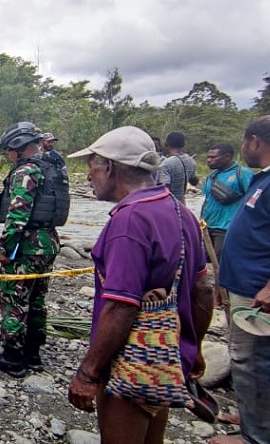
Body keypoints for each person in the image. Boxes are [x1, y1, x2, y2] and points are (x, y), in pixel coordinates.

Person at [66, 126, 213, 444]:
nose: (89, 174)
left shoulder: (129, 221)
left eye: (91, 164)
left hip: (131, 366)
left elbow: (121, 306)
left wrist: (88, 373)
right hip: (165, 359)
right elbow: (204, 290)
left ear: (109, 166)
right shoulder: (180, 210)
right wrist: (193, 346)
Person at [0, 122, 61, 378]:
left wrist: (5, 249)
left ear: (17, 148)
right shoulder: (51, 169)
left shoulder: (25, 172)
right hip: (47, 242)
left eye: (9, 151)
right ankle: (33, 354)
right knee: (37, 298)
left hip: (27, 246)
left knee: (15, 298)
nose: (9, 155)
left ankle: (13, 356)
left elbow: (17, 216)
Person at [211, 116, 270, 444]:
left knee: (253, 360)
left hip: (257, 292)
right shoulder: (261, 181)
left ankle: (255, 436)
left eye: (245, 141)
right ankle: (253, 415)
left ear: (255, 142)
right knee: (249, 358)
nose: (244, 148)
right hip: (245, 285)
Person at [200, 143, 253, 261]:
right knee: (204, 260)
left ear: (227, 156)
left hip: (227, 227)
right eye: (208, 157)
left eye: (213, 157)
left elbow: (253, 199)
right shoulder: (211, 176)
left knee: (222, 261)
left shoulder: (242, 173)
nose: (209, 160)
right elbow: (206, 200)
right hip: (208, 226)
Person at [157, 131, 199, 204]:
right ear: (183, 145)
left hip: (169, 205)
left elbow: (163, 189)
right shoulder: (191, 161)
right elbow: (194, 182)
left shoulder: (166, 164)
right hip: (182, 204)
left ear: (166, 144)